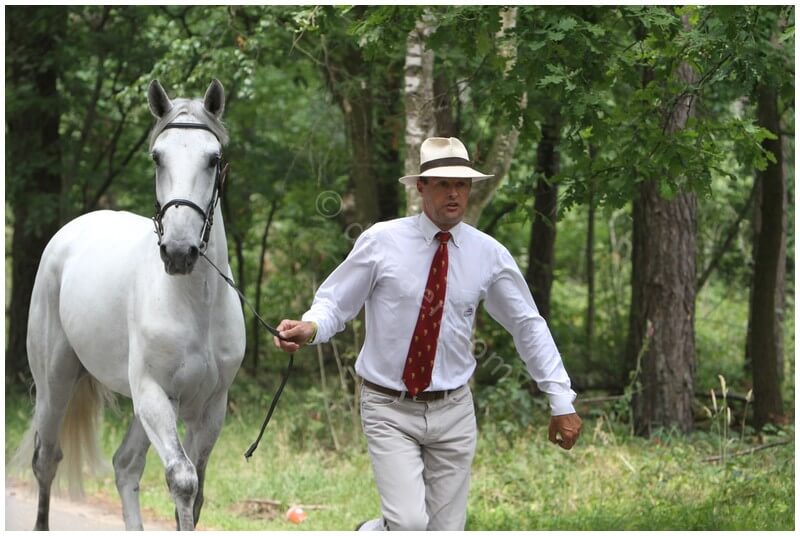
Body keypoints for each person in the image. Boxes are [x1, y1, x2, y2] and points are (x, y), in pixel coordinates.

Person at [274, 137, 582, 531]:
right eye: (443, 184)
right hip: (388, 406)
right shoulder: (381, 241)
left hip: (453, 410)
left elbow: (527, 325)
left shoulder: (488, 254)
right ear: (421, 186)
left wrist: (560, 398)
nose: (454, 193)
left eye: (462, 184)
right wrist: (311, 327)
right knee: (408, 525)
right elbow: (335, 303)